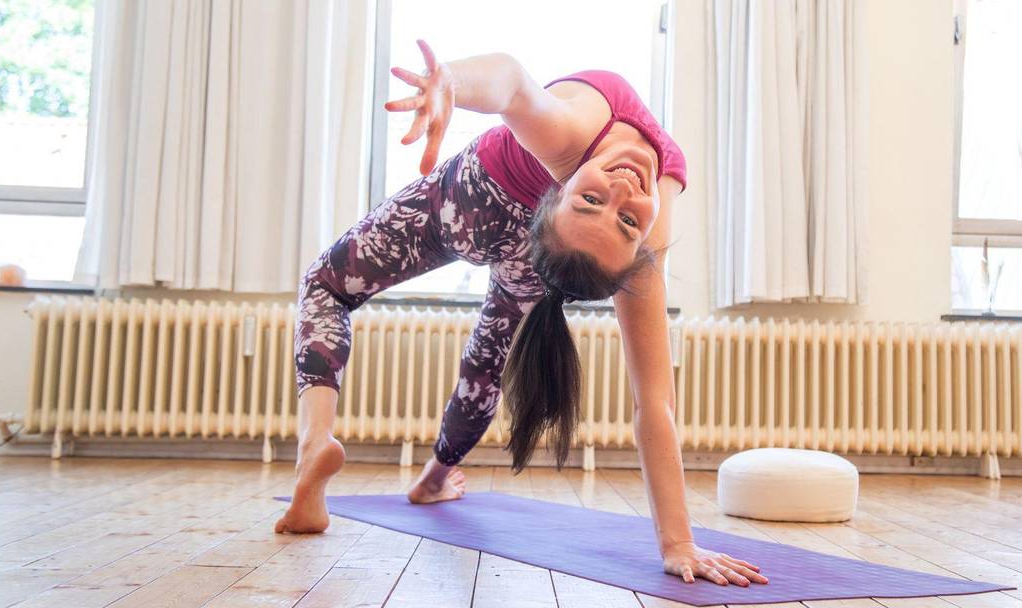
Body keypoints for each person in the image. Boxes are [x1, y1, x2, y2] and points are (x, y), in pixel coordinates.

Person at [274, 40, 767, 588]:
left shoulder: (620, 224)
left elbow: (514, 84)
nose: (623, 191)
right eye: (592, 200)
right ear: (556, 191)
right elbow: (506, 82)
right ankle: (435, 477)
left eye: (628, 222)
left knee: (327, 285)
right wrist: (451, 82)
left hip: (468, 206)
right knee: (485, 364)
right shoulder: (591, 156)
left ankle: (317, 442)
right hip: (515, 238)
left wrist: (681, 546)